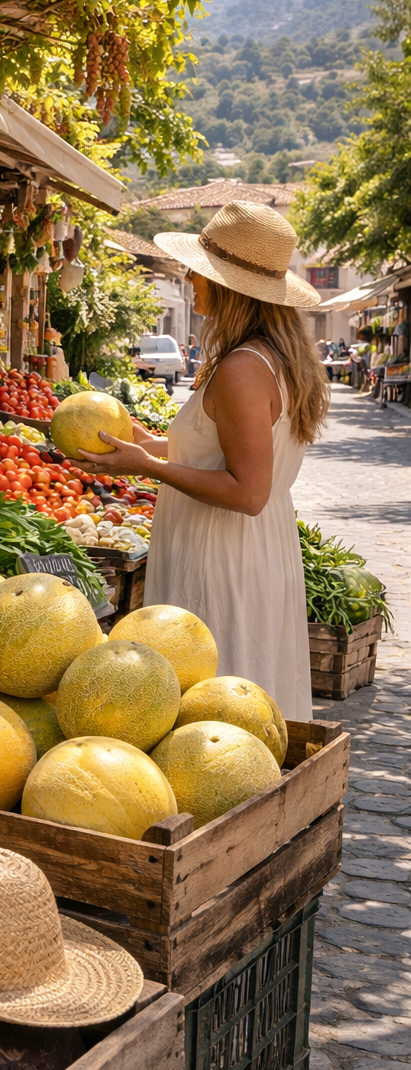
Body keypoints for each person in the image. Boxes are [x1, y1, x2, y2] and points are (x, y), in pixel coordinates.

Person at [77, 202, 328, 720]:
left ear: (230, 286)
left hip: (221, 554)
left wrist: (148, 468)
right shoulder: (269, 358)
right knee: (239, 703)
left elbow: (247, 492)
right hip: (250, 552)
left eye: (200, 270)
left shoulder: (243, 368)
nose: (189, 278)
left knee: (213, 700)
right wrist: (149, 444)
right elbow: (223, 451)